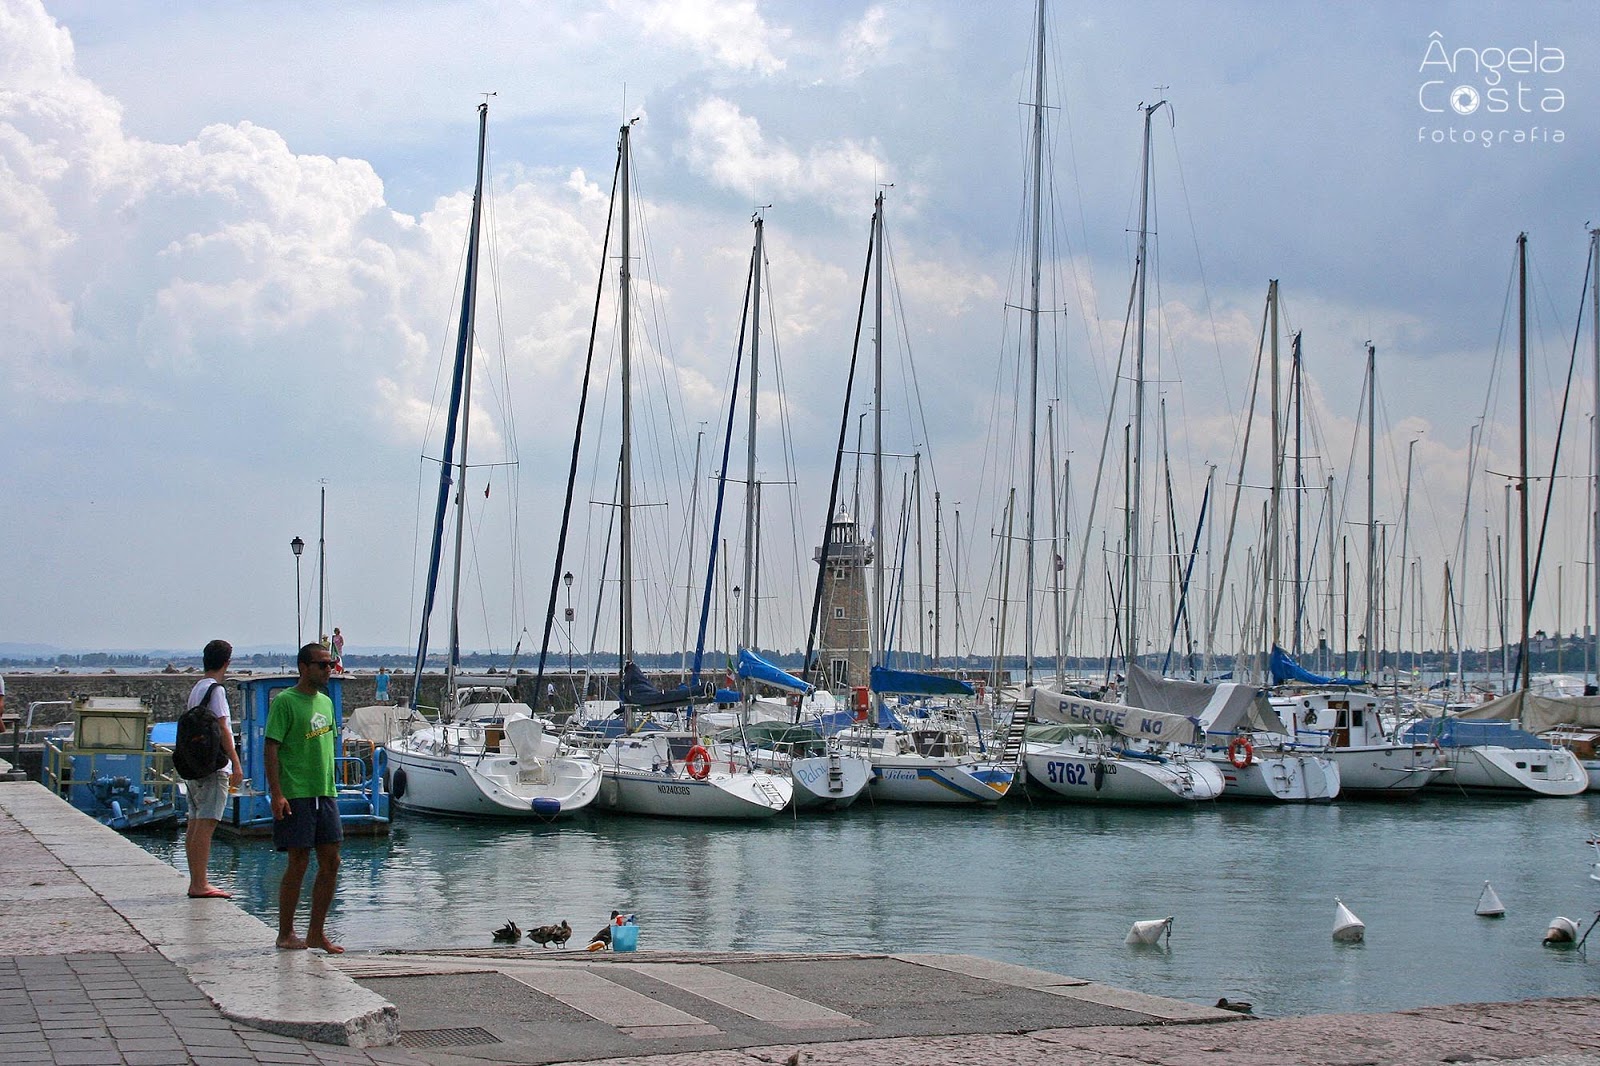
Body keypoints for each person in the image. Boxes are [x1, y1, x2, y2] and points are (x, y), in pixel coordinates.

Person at [265, 643, 343, 953]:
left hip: (325, 791)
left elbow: (328, 745)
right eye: (322, 665)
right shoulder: (285, 701)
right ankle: (285, 933)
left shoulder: (326, 702)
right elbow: (271, 747)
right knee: (298, 861)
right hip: (296, 793)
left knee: (332, 861)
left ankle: (316, 933)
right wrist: (277, 793)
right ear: (303, 667)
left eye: (330, 664)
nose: (328, 670)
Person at [183, 639, 244, 899]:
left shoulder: (197, 688)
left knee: (195, 822)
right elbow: (223, 728)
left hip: (194, 764)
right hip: (214, 765)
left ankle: (195, 880)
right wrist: (236, 763)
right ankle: (200, 883)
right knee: (207, 824)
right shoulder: (216, 691)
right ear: (227, 663)